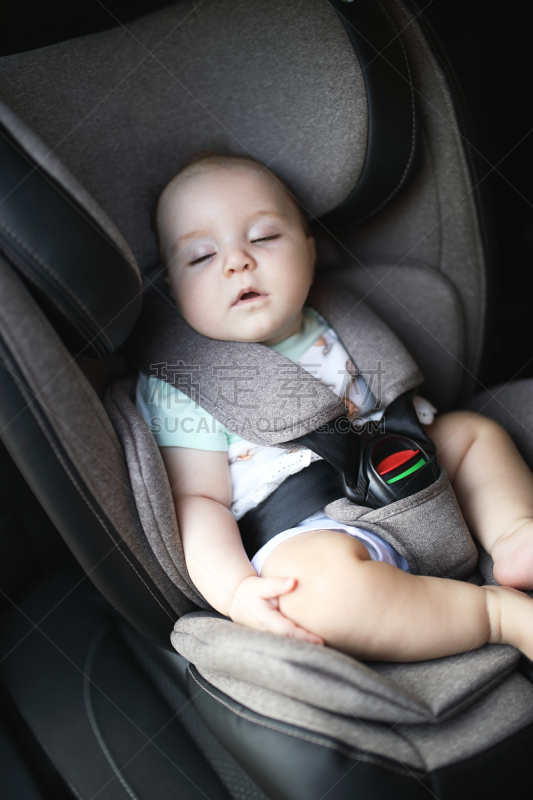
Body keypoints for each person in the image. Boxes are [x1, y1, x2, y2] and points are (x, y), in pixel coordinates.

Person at [136, 153, 533, 663]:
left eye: (263, 237)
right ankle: (495, 615)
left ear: (309, 250)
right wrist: (234, 591)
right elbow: (199, 503)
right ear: (173, 287)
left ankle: (515, 534)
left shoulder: (336, 319)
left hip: (411, 467)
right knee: (315, 594)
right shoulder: (181, 385)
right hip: (313, 526)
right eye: (201, 257)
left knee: (475, 434)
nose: (237, 262)